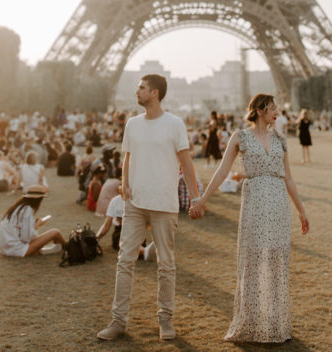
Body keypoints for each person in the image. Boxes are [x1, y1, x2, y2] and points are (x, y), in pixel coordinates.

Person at [190, 93, 309, 343]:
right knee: (253, 259)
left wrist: (301, 210)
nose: (277, 113)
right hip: (254, 201)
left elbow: (288, 177)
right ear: (260, 110)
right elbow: (223, 171)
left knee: (276, 259)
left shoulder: (281, 139)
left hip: (277, 202)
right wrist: (203, 199)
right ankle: (252, 323)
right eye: (273, 108)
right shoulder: (240, 136)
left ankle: (274, 324)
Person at [96, 73, 202, 342]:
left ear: (154, 93)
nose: (137, 91)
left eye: (142, 88)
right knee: (124, 262)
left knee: (166, 265)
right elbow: (127, 158)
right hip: (135, 203)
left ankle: (165, 320)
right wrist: (124, 184)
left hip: (164, 204)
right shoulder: (132, 124)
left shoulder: (174, 124)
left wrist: (195, 197)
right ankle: (118, 321)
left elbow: (186, 164)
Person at [0, 184, 66, 257]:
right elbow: (26, 238)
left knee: (53, 234)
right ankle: (68, 247)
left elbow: (20, 231)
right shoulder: (27, 210)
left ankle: (59, 248)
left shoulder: (18, 207)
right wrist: (37, 226)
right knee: (55, 232)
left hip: (6, 249)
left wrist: (33, 226)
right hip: (19, 250)